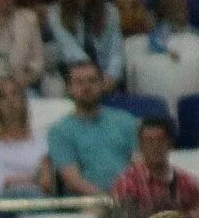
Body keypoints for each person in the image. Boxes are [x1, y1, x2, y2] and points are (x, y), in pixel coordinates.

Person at [48, 59, 140, 197]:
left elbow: (140, 165)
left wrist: (126, 194)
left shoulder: (126, 121)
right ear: (69, 88)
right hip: (88, 201)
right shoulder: (59, 131)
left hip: (129, 196)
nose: (86, 87)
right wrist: (107, 199)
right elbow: (73, 180)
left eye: (92, 80)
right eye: (79, 82)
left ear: (102, 84)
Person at [111, 115, 199, 218]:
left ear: (170, 143)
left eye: (160, 140)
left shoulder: (187, 182)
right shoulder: (126, 183)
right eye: (149, 141)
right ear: (140, 146)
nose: (155, 146)